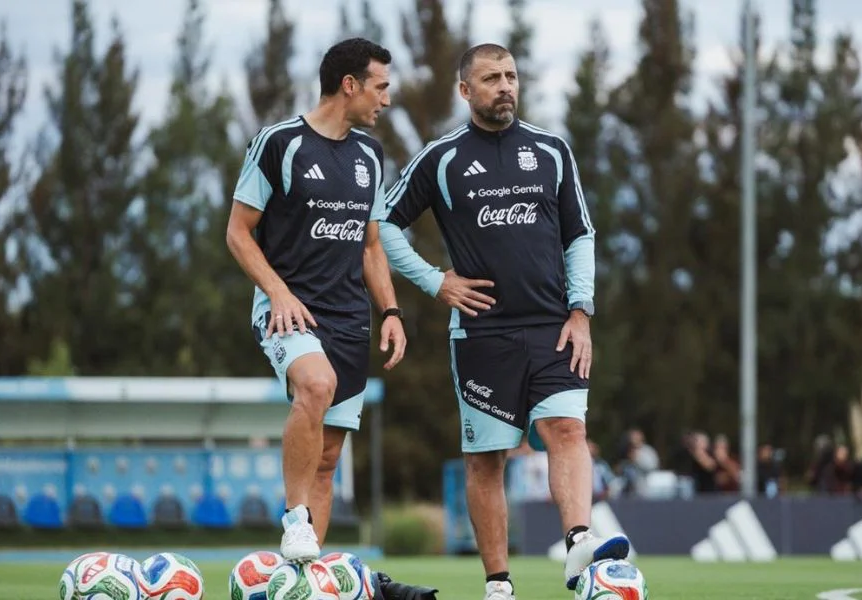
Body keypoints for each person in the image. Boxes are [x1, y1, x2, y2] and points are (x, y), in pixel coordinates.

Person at [376, 43, 629, 599]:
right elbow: (383, 224)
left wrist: (581, 311)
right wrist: (434, 280)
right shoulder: (441, 156)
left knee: (567, 430)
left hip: (554, 327)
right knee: (486, 460)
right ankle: (498, 585)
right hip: (481, 334)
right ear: (465, 90)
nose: (505, 85)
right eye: (491, 78)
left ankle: (579, 542)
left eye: (511, 75)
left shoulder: (552, 150)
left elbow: (580, 235)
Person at [226, 38, 407, 563]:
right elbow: (238, 232)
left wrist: (391, 311)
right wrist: (277, 291)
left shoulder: (370, 155)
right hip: (289, 310)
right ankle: (295, 517)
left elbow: (370, 244)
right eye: (381, 87)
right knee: (316, 382)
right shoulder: (278, 142)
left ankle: (303, 581)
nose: (386, 101)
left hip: (350, 320)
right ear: (349, 85)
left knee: (327, 461)